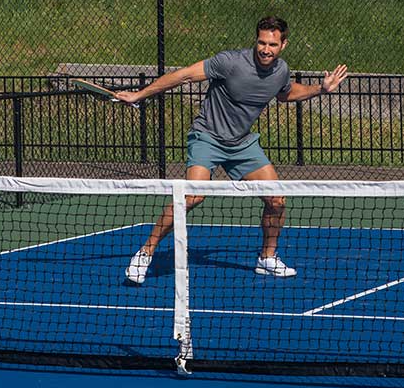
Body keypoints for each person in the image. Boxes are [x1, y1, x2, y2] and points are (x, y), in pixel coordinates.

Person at [115, 16, 348, 283]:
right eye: (261, 42)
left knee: (277, 200)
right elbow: (184, 75)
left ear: (283, 44)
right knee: (193, 196)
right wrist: (139, 95)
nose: (265, 49)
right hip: (208, 137)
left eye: (272, 44)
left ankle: (267, 258)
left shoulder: (280, 71)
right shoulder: (230, 61)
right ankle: (145, 253)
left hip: (241, 144)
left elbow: (285, 93)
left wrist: (321, 88)